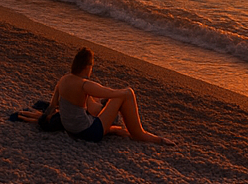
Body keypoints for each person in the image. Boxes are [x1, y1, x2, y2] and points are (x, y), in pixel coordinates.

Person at [17, 47, 171, 144]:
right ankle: (140, 134)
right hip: (89, 133)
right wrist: (127, 93)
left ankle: (115, 129)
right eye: (92, 66)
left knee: (101, 103)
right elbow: (111, 93)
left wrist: (43, 120)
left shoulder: (63, 80)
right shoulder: (85, 84)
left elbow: (51, 107)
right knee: (125, 93)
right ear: (87, 66)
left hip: (73, 130)